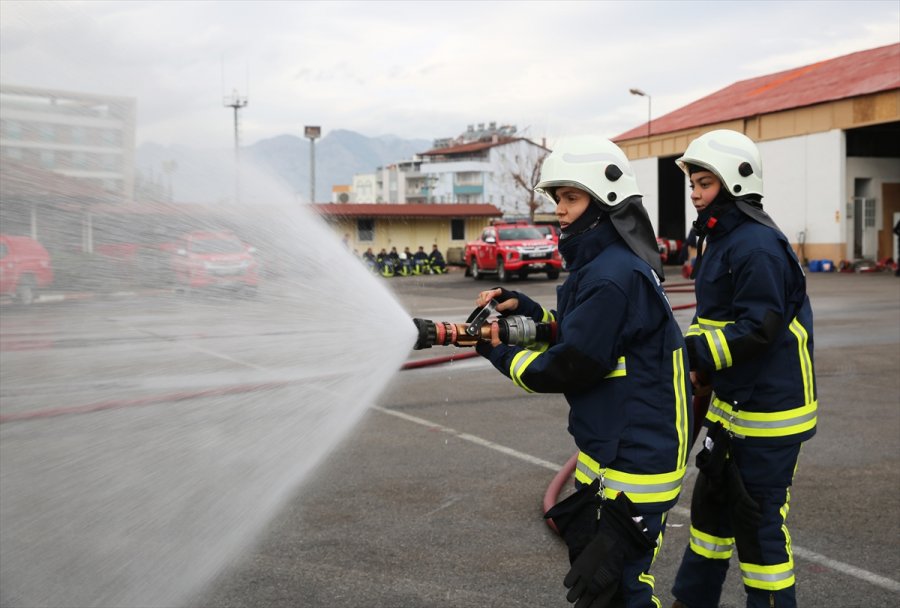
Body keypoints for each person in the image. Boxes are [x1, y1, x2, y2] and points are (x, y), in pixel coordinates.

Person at [474, 136, 692, 608]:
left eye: (571, 198)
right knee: (603, 590)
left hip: (635, 464)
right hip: (611, 457)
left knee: (622, 591)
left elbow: (572, 364)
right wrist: (528, 311)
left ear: (606, 200)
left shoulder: (612, 275)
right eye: (557, 199)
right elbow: (583, 334)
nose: (560, 210)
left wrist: (499, 352)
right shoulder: (599, 267)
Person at [669, 130, 817, 608]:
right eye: (693, 184)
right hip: (733, 409)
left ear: (735, 183)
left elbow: (759, 329)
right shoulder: (722, 239)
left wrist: (690, 356)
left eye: (705, 183)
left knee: (758, 531)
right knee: (710, 520)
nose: (695, 194)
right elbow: (714, 320)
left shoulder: (755, 246)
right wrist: (699, 362)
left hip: (769, 415)